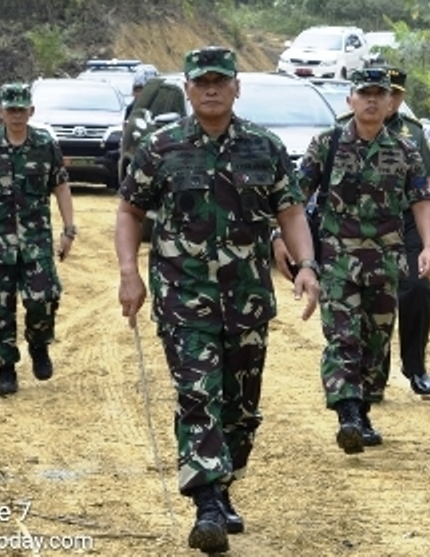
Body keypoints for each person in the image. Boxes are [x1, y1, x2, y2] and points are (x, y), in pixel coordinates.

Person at [114, 46, 319, 555]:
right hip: (183, 297)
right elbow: (129, 211)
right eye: (201, 81)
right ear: (187, 88)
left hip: (247, 299)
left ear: (236, 88)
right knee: (197, 395)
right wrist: (129, 274)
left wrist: (306, 265)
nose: (211, 89)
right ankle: (206, 504)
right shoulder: (160, 148)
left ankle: (223, 486)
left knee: (240, 408)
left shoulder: (265, 147)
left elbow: (291, 211)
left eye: (220, 81)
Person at [275, 66, 430, 453]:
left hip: (385, 261)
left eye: (379, 94)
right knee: (343, 338)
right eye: (364, 93)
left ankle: (362, 411)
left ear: (390, 102)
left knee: (375, 342)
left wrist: (428, 247)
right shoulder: (327, 144)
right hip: (337, 259)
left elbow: (421, 201)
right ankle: (347, 413)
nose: (371, 101)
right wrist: (280, 237)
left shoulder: (405, 150)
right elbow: (295, 197)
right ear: (350, 99)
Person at [0, 82, 75, 397]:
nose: (16, 115)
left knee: (42, 299)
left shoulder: (45, 145)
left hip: (36, 241)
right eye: (11, 110)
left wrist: (69, 229)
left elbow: (61, 186)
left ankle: (39, 345)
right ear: (1, 112)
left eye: (21, 110)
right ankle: (6, 368)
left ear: (31, 111)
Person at [380, 65, 430, 401]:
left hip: (409, 219)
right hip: (368, 223)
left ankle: (416, 366)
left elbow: (429, 177)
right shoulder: (346, 128)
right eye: (385, 92)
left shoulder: (413, 132)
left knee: (417, 289)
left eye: (396, 94)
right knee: (373, 297)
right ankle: (373, 373)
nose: (389, 100)